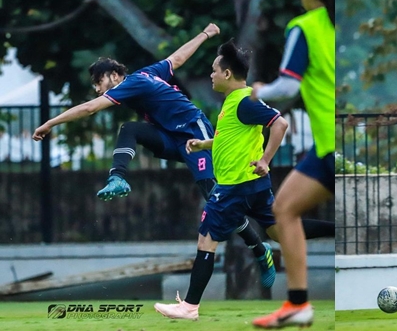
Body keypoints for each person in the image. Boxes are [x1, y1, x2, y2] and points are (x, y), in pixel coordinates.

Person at [32, 24, 278, 288]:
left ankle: (259, 249)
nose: (97, 89)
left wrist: (50, 123)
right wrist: (204, 34)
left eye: (98, 81)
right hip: (172, 138)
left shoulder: (132, 83)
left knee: (215, 197)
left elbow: (91, 108)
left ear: (115, 75)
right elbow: (178, 58)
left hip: (194, 133)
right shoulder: (149, 74)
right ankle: (118, 178)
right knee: (130, 129)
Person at [153, 39, 289, 320]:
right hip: (251, 186)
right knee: (281, 232)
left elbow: (280, 123)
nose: (211, 75)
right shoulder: (236, 101)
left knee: (206, 241)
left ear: (227, 74)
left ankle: (189, 307)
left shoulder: (243, 102)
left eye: (214, 70)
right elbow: (230, 138)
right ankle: (332, 230)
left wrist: (265, 160)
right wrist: (204, 145)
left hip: (233, 187)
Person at [251, 0, 334, 328]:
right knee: (284, 209)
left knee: (284, 211)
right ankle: (297, 304)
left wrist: (259, 90)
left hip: (330, 142)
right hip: (336, 139)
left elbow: (288, 85)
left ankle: (298, 303)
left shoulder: (304, 26)